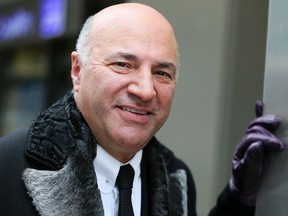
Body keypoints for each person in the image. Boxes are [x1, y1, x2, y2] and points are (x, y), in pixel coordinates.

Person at [0, 3, 284, 216]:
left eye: (162, 73)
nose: (146, 90)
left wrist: (240, 196)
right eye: (123, 65)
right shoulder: (6, 169)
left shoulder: (177, 180)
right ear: (77, 70)